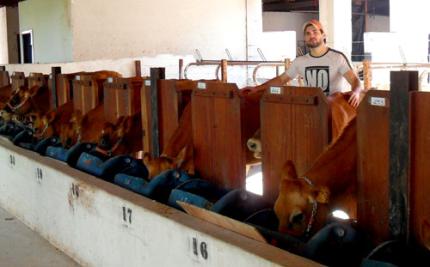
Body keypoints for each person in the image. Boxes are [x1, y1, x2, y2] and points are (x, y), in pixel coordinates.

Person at [263, 19, 362, 108]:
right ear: (305, 38)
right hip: (311, 107)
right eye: (308, 33)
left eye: (315, 32)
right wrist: (258, 89)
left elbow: (354, 80)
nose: (311, 36)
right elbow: (281, 79)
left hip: (334, 109)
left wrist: (356, 92)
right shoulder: (300, 61)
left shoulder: (338, 57)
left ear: (323, 35)